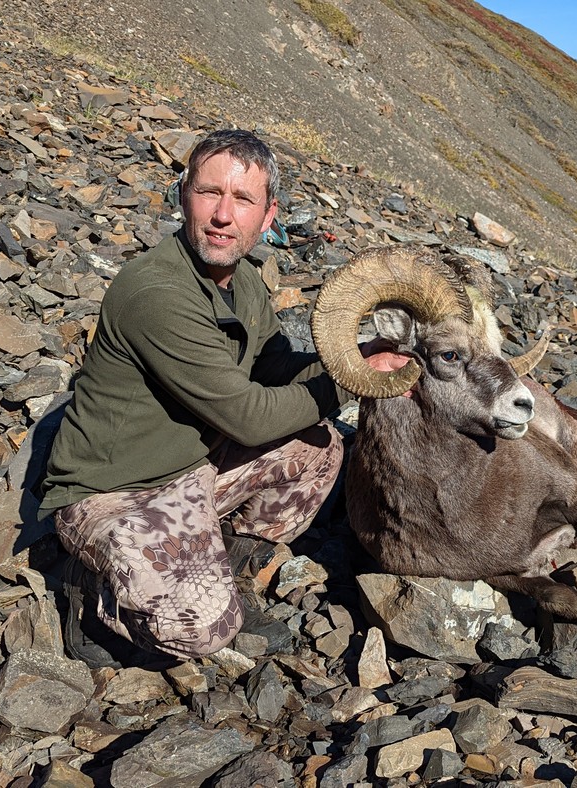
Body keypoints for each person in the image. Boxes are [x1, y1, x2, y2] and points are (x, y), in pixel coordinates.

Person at [38, 129, 406, 666]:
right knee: (205, 629)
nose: (222, 215)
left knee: (320, 447)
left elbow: (277, 368)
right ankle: (92, 592)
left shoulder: (243, 283)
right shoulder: (157, 295)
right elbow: (250, 419)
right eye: (210, 192)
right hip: (115, 491)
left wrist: (359, 352)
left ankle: (217, 558)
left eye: (243, 199)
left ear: (268, 214)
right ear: (184, 194)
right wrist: (350, 379)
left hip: (193, 465)